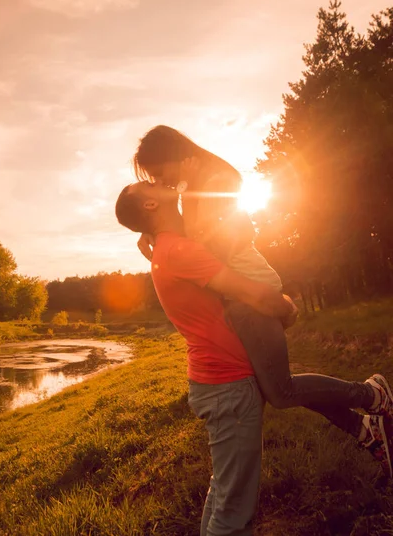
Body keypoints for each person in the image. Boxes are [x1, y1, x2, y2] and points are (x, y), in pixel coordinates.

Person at [116, 180, 393, 536]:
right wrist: (286, 307)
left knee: (224, 493)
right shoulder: (179, 251)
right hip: (228, 385)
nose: (165, 183)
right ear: (151, 204)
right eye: (153, 184)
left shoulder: (168, 249)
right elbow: (252, 293)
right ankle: (370, 398)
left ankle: (366, 418)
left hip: (216, 382)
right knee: (232, 515)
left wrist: (153, 236)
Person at [132, 125, 393, 468]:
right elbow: (193, 241)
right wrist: (153, 230)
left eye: (158, 172)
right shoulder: (193, 186)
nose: (161, 181)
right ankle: (364, 429)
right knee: (276, 386)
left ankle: (372, 395)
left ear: (171, 155)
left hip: (248, 290)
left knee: (281, 391)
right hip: (240, 294)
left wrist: (168, 228)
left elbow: (206, 245)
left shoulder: (215, 182)